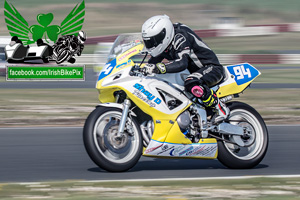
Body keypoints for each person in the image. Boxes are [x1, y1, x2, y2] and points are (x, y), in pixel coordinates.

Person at [141, 15, 229, 122]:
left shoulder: (180, 37)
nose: (151, 45)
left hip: (211, 68)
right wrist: (142, 69)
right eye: (148, 42)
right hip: (193, 72)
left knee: (191, 82)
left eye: (153, 41)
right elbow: (154, 61)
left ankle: (220, 108)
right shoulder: (165, 44)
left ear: (164, 34)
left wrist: (158, 68)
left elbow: (182, 63)